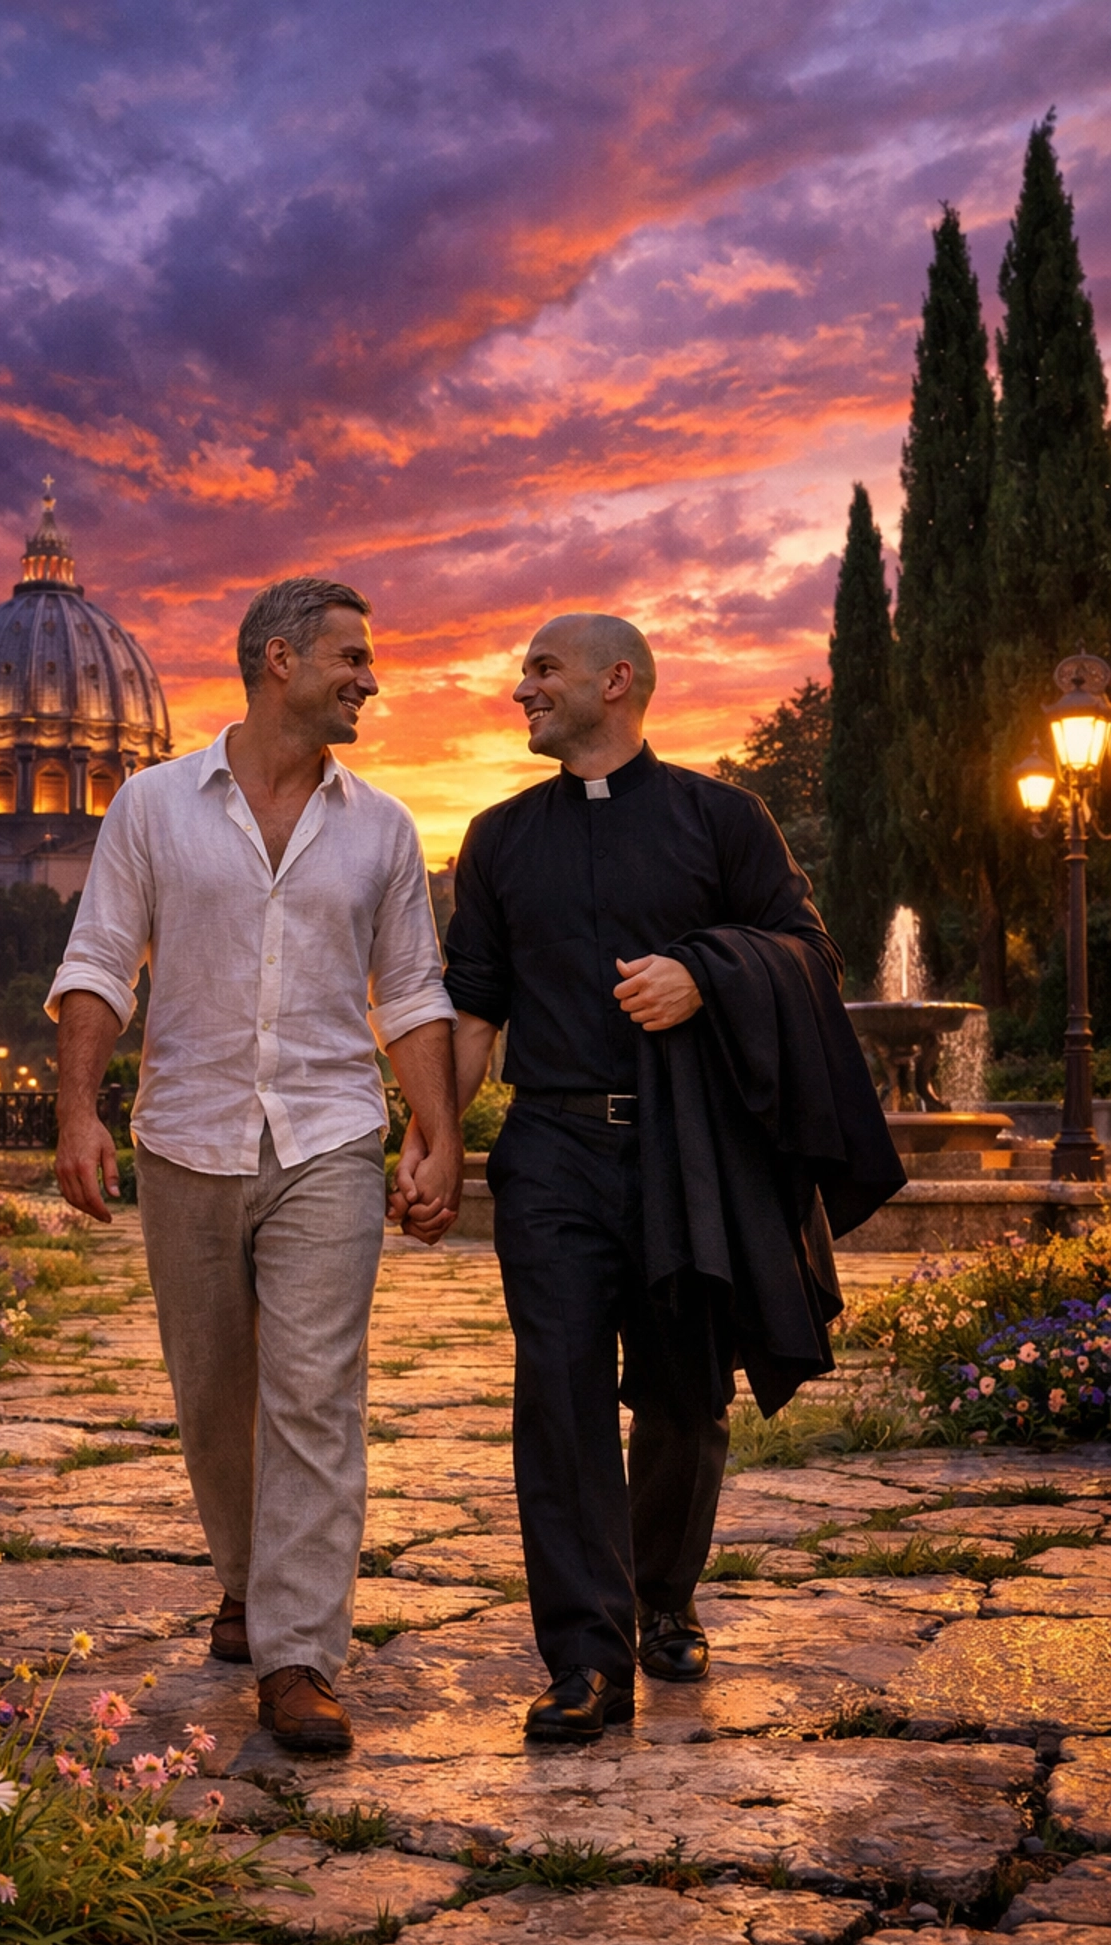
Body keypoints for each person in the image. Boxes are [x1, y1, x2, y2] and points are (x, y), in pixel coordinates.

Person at [398, 614, 903, 1740]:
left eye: (542, 670)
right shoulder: (497, 837)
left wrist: (704, 974)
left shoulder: (725, 819)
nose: (520, 689)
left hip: (693, 1151)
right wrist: (434, 1138)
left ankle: (662, 1595)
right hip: (551, 1152)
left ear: (615, 681)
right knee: (559, 1392)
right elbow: (472, 1005)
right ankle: (586, 1657)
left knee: (684, 1391)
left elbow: (810, 953)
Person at [48, 577, 460, 1753]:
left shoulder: (383, 827)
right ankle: (244, 1579)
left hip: (330, 1135)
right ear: (280, 660)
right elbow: (101, 960)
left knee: (316, 1392)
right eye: (351, 656)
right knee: (214, 1392)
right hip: (188, 1132)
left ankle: (298, 1656)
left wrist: (438, 1132)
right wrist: (77, 1113)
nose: (370, 678)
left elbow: (411, 993)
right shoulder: (152, 805)